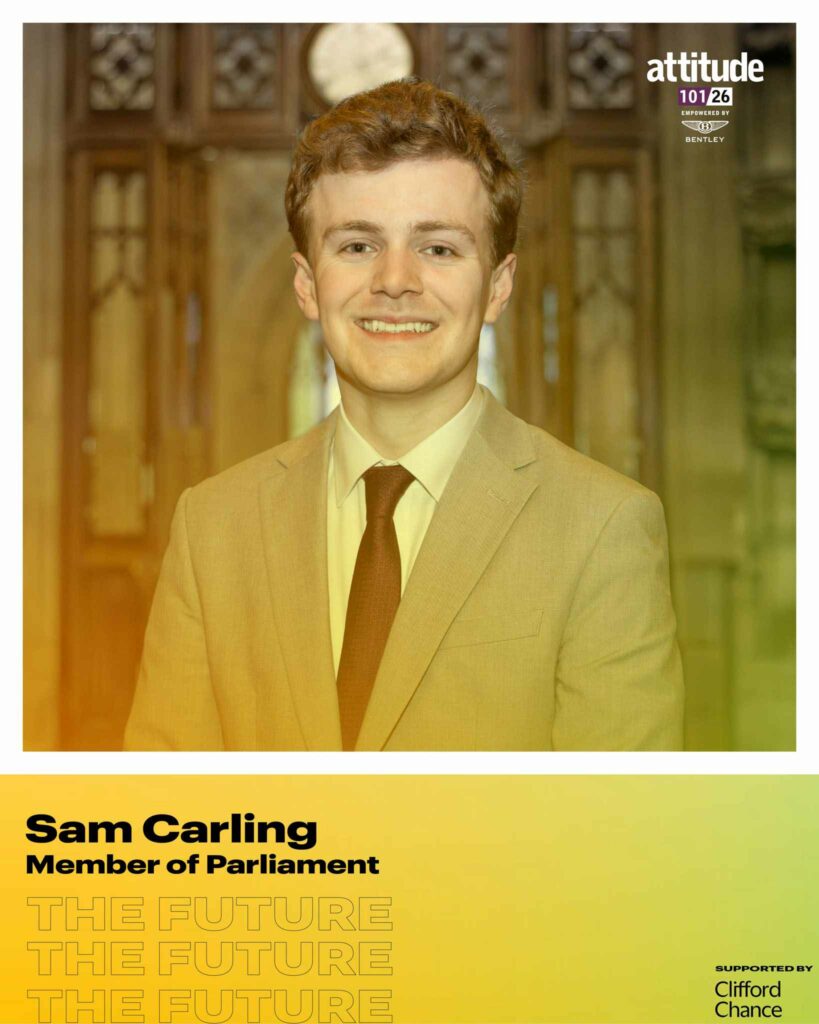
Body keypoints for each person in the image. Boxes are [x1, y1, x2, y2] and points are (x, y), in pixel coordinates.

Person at [125, 79, 683, 752]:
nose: (395, 280)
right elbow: (169, 831)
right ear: (308, 284)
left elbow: (616, 840)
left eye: (438, 248)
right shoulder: (212, 526)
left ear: (497, 286)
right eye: (357, 246)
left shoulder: (602, 527)